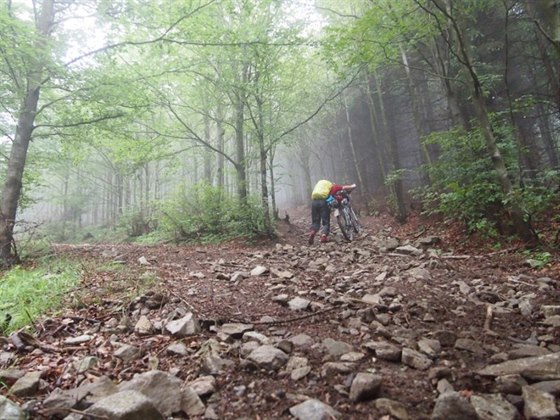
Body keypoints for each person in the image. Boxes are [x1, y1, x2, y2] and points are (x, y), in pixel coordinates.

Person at [308, 180, 356, 244]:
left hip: (314, 202)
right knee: (325, 221)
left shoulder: (319, 188)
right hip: (323, 202)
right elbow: (344, 187)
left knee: (316, 221)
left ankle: (312, 232)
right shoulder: (333, 186)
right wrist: (352, 186)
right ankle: (324, 236)